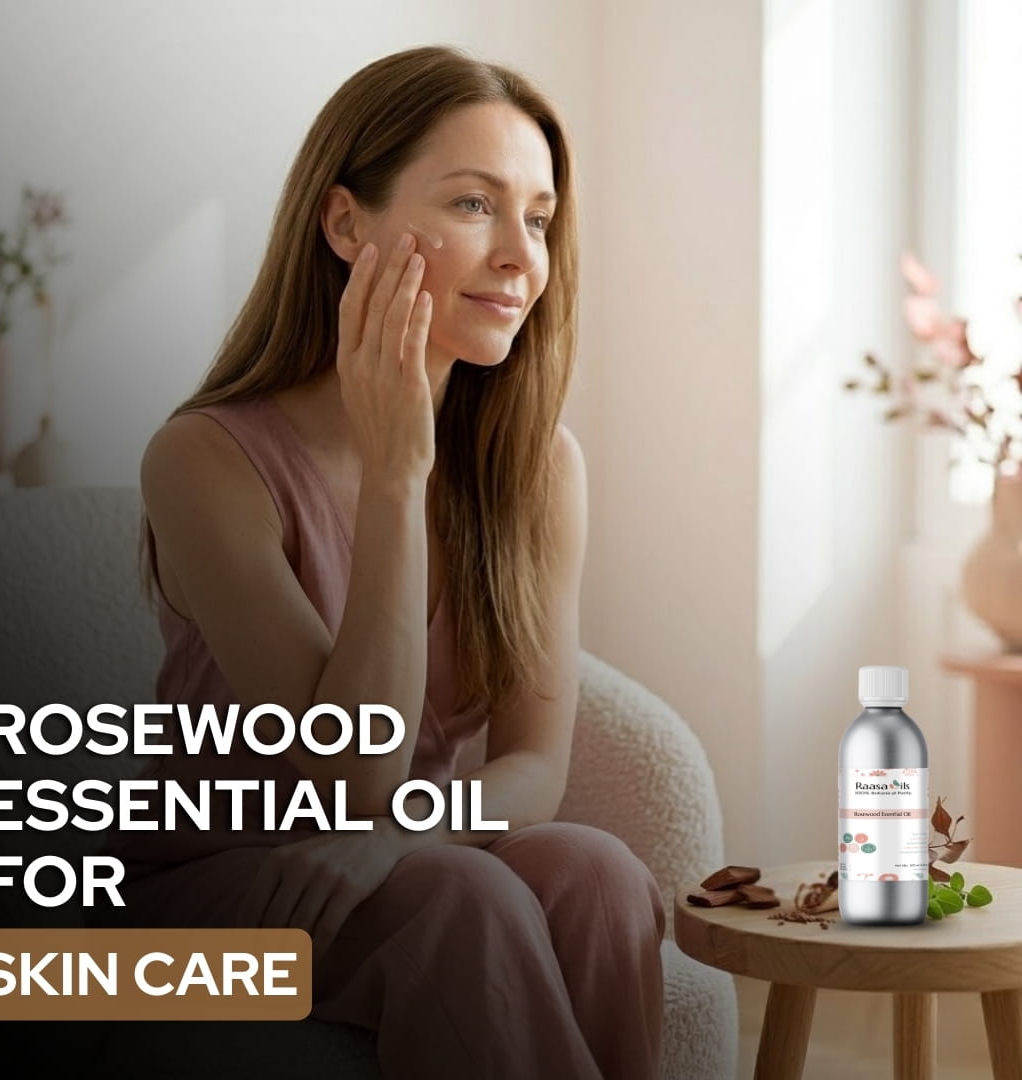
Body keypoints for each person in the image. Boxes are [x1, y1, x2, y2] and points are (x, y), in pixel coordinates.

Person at [93, 44, 666, 1079]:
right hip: (211, 902)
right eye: (473, 205)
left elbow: (533, 768)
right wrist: (401, 474)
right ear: (345, 222)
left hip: (407, 853)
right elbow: (347, 782)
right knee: (466, 900)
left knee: (598, 873)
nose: (519, 257)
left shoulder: (538, 469)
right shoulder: (202, 460)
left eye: (536, 218)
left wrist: (403, 842)